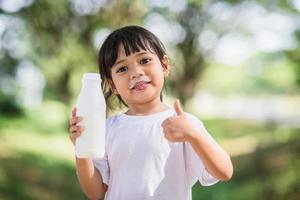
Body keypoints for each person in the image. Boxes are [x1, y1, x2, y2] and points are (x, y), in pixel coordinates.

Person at [69, 25, 233, 200]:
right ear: (112, 85)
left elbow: (224, 172)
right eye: (122, 69)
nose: (136, 73)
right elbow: (95, 193)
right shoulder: (107, 129)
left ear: (164, 65)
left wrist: (195, 135)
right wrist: (82, 148)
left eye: (144, 60)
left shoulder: (183, 124)